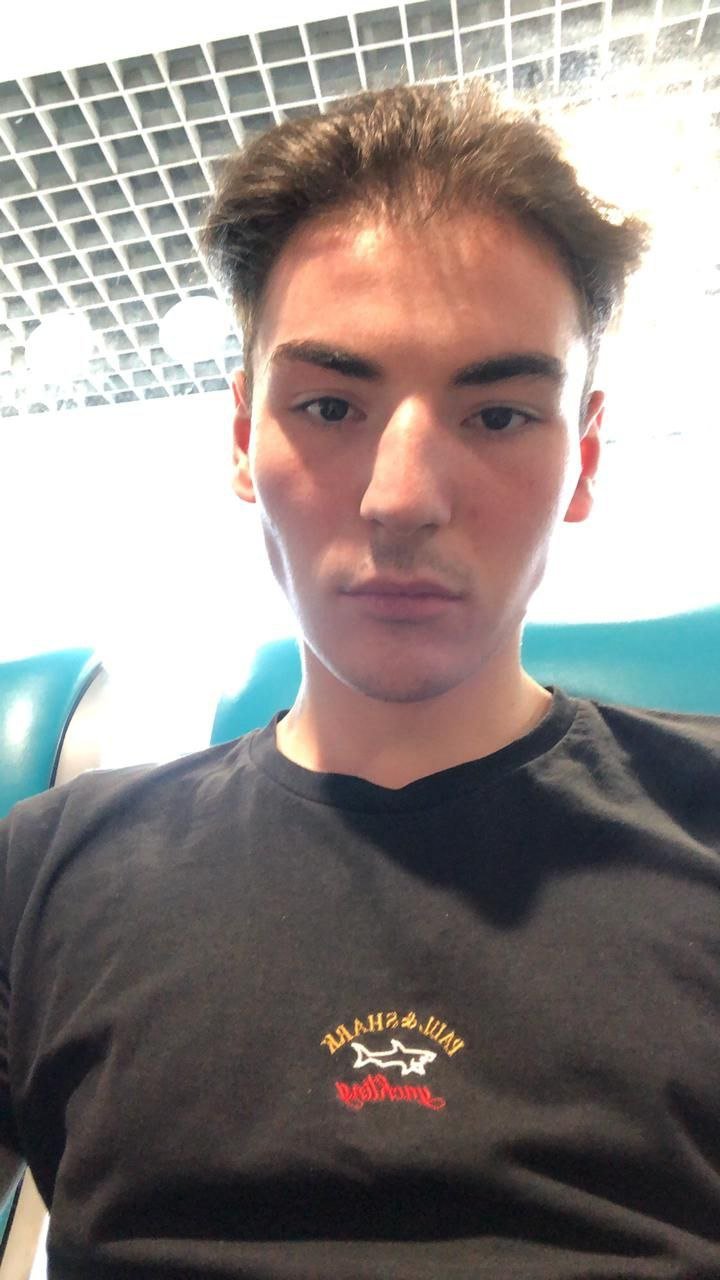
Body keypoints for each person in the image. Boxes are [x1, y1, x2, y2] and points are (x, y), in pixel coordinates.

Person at [2, 78, 719, 1280]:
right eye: (332, 404)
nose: (402, 498)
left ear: (584, 457)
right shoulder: (48, 873)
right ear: (245, 437)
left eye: (498, 416)